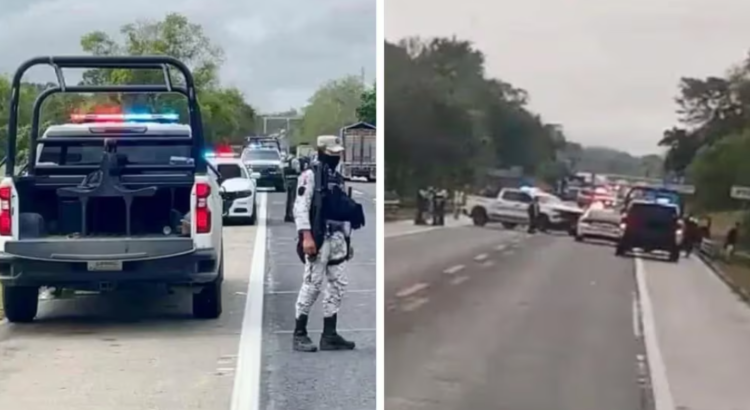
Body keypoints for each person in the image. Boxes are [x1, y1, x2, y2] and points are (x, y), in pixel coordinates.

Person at [292, 135, 365, 353]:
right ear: (323, 152)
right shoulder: (310, 176)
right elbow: (300, 207)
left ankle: (329, 335)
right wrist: (306, 236)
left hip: (337, 238)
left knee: (338, 284)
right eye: (332, 153)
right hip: (318, 236)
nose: (336, 157)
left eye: (338, 153)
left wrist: (347, 240)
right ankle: (299, 333)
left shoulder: (337, 178)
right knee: (312, 285)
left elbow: (341, 212)